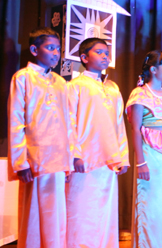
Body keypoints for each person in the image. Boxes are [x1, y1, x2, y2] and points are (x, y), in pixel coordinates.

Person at [8, 27, 71, 248]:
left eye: (58, 49)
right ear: (34, 49)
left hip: (58, 158)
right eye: (50, 48)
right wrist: (20, 162)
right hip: (35, 159)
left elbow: (68, 123)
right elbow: (16, 122)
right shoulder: (23, 78)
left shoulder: (60, 82)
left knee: (56, 216)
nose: (56, 53)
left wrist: (70, 158)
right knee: (34, 215)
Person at [66, 38, 129, 248]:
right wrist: (74, 153)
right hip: (85, 158)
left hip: (109, 159)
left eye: (107, 52)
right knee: (81, 209)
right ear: (84, 57)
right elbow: (69, 121)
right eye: (99, 52)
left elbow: (119, 124)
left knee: (105, 210)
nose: (105, 56)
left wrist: (123, 156)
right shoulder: (76, 85)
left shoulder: (112, 88)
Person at [126, 50, 162, 248]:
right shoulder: (140, 94)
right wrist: (140, 161)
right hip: (149, 153)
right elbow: (135, 129)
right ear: (153, 69)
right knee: (148, 203)